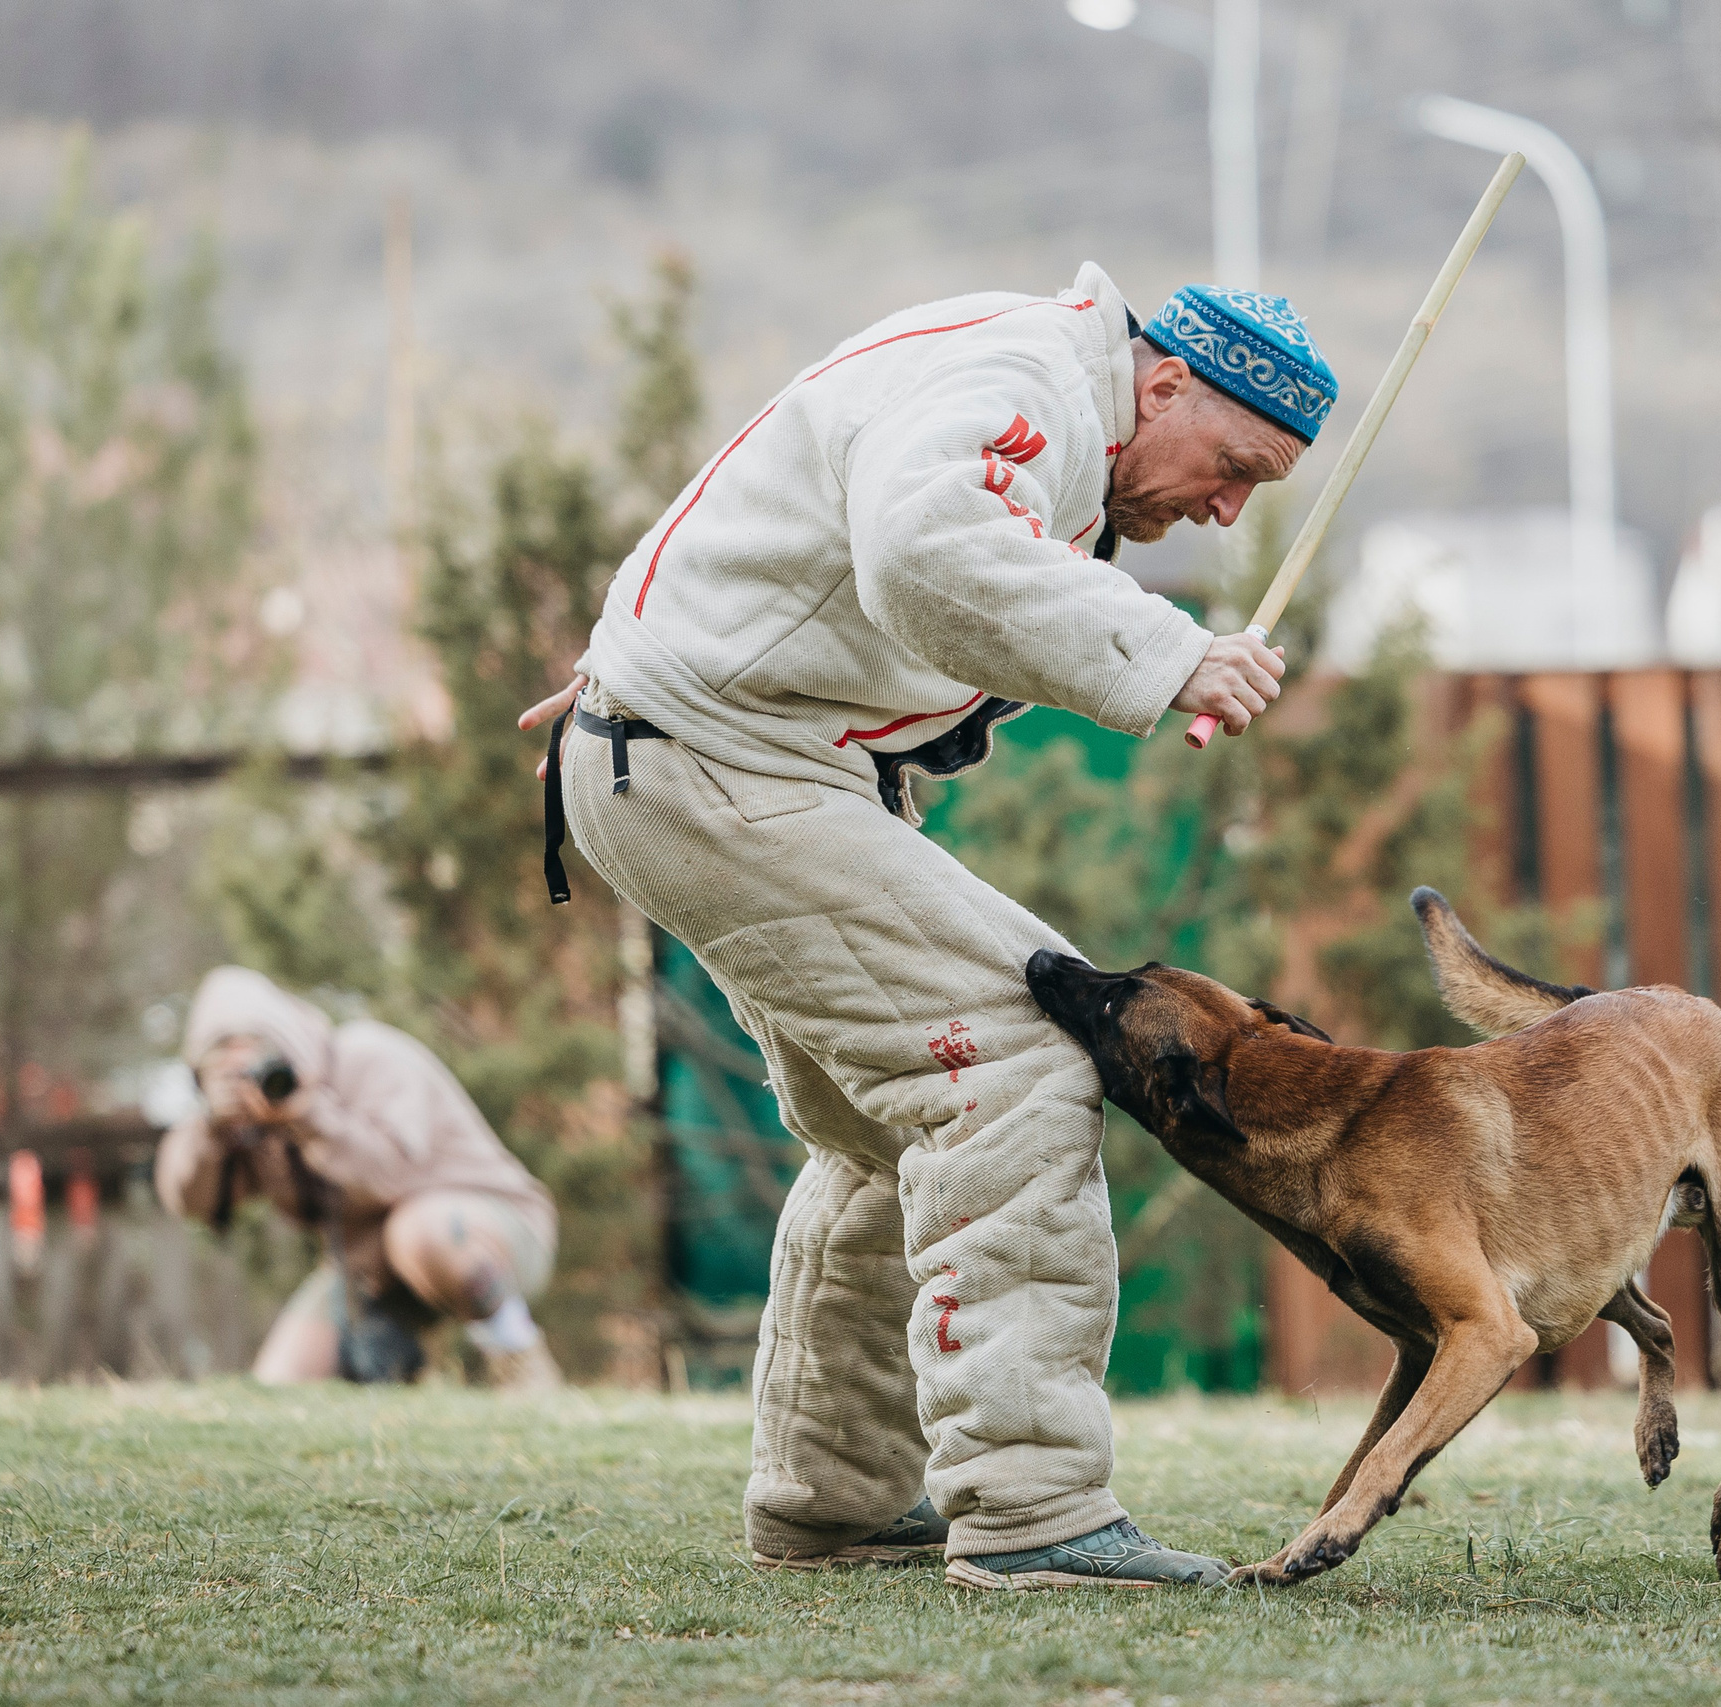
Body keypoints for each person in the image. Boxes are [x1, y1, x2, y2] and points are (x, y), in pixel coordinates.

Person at [524, 267, 1331, 1588]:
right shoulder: (1024, 391)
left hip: (681, 750)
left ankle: (832, 1497)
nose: (1226, 508)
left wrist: (647, 644)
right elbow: (922, 554)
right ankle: (1032, 1510)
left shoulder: (1014, 369)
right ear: (1167, 379)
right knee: (1023, 1060)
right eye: (1232, 463)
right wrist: (1168, 647)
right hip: (727, 765)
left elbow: (795, 489)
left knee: (877, 1120)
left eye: (1259, 493)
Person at [155, 965, 564, 1391]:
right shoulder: (243, 1131)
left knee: (421, 1231)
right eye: (225, 1062)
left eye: (255, 1054)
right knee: (280, 1385)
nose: (247, 1078)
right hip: (371, 1266)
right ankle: (414, 1371)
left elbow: (389, 1178)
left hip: (489, 1230)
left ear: (286, 1042)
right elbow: (191, 1204)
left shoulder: (372, 1056)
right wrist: (211, 1129)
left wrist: (309, 1117)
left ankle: (516, 1350)